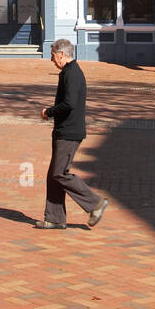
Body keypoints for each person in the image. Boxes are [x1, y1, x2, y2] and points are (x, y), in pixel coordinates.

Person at [36, 39, 108, 229]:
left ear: (61, 54)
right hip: (63, 130)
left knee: (59, 173)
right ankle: (54, 218)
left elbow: (69, 103)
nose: (52, 60)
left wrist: (49, 112)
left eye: (53, 56)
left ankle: (95, 204)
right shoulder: (68, 72)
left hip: (69, 132)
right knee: (53, 175)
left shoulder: (72, 74)